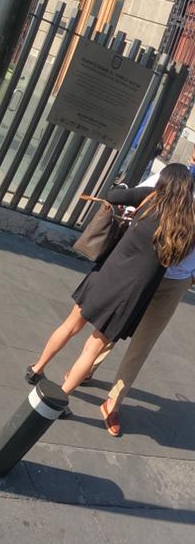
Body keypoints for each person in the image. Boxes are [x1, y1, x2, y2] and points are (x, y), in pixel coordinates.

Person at [26, 164, 195, 430]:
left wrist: (133, 189)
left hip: (105, 275)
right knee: (92, 348)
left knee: (70, 325)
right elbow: (175, 259)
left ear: (164, 183)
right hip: (131, 293)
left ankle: (36, 368)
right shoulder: (187, 225)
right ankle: (60, 400)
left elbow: (114, 196)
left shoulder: (149, 199)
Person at [81, 164, 195, 436]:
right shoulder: (176, 177)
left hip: (177, 280)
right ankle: (87, 368)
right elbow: (138, 204)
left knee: (143, 342)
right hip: (145, 270)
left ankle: (114, 401)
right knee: (113, 324)